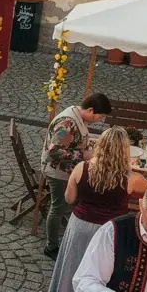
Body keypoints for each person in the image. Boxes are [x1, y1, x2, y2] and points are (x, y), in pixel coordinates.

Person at [43, 128, 147, 292]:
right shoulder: (131, 178)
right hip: (111, 232)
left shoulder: (81, 168)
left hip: (80, 228)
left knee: (75, 275)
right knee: (104, 278)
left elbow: (69, 198)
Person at [40, 93, 112, 258]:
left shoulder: (77, 117)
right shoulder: (67, 123)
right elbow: (54, 151)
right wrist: (85, 155)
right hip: (58, 172)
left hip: (67, 170)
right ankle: (51, 246)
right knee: (58, 207)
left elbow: (72, 142)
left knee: (63, 206)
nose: (99, 119)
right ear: (91, 110)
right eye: (100, 116)